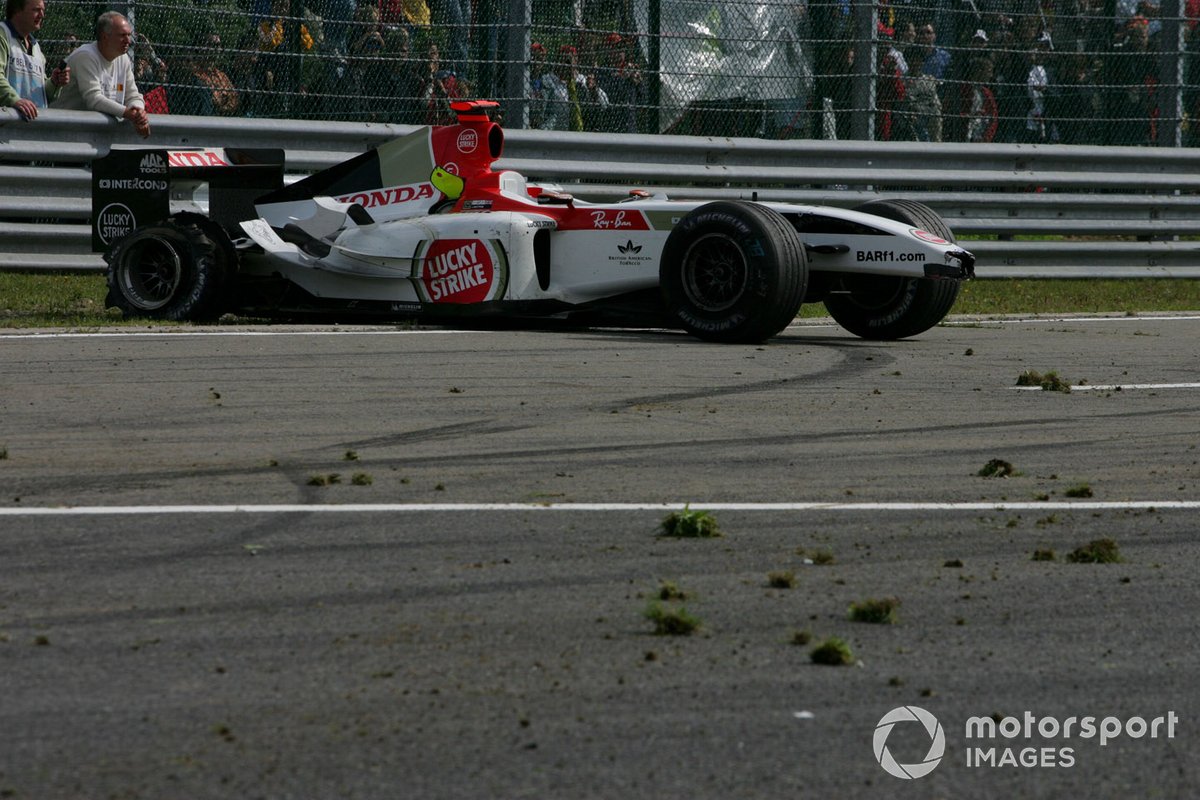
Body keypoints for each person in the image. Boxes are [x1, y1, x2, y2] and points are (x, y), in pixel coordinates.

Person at [51, 10, 148, 137]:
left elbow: (133, 96)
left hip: (94, 134)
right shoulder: (86, 56)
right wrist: (127, 113)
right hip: (65, 133)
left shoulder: (123, 59)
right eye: (122, 35)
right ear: (105, 37)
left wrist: (138, 111)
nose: (128, 41)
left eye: (129, 35)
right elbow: (94, 99)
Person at [2, 0, 69, 120]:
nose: (42, 15)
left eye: (43, 10)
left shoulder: (36, 47)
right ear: (17, 11)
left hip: (31, 128)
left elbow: (42, 95)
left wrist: (54, 83)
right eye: (36, 10)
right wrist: (15, 100)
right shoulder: (3, 35)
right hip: (6, 126)